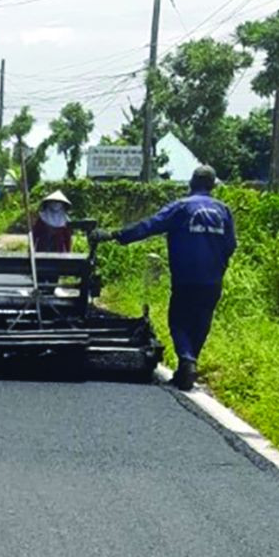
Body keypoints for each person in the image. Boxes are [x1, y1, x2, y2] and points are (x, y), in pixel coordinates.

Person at [90, 165, 236, 391]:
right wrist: (218, 267)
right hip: (212, 280)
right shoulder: (223, 210)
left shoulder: (180, 208)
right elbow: (230, 245)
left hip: (185, 278)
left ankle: (187, 360)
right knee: (201, 322)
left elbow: (149, 226)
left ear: (190, 184)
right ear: (212, 186)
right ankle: (188, 366)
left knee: (178, 320)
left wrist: (115, 235)